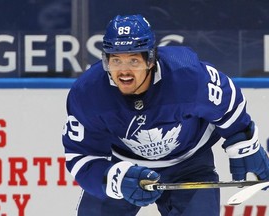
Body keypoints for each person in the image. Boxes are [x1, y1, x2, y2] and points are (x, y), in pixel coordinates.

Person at [62, 14, 269, 216]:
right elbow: (80, 156)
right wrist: (115, 179)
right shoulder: (88, 93)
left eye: (134, 61)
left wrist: (243, 141)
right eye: (116, 60)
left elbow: (227, 101)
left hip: (189, 165)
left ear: (151, 59)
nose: (123, 71)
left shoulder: (186, 75)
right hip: (124, 166)